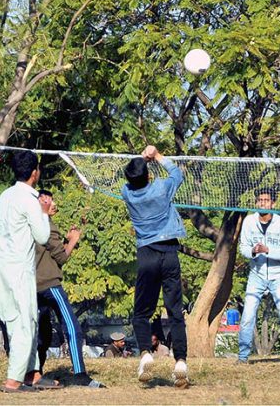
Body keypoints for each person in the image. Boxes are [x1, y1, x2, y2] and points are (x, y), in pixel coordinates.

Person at [0, 150, 60, 393]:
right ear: (34, 173)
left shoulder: (5, 195)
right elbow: (41, 236)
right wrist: (43, 212)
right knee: (24, 322)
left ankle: (33, 374)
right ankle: (13, 380)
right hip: (17, 266)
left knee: (15, 319)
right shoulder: (30, 199)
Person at [122, 145, 189, 388]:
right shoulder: (161, 188)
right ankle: (180, 362)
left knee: (141, 313)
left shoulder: (127, 193)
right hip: (169, 253)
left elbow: (134, 175)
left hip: (147, 254)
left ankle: (145, 354)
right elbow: (177, 174)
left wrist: (141, 159)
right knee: (175, 312)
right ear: (149, 175)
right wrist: (156, 155)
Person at [34, 189, 103, 388]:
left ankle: (36, 374)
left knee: (42, 333)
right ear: (42, 201)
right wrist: (73, 240)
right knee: (72, 326)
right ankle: (80, 375)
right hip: (50, 284)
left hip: (33, 286)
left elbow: (50, 253)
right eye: (49, 199)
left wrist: (64, 241)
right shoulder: (47, 225)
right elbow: (62, 257)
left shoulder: (29, 224)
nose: (53, 203)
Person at [237, 187, 280, 364]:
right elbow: (242, 247)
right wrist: (252, 251)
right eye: (259, 200)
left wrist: (267, 250)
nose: (262, 203)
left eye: (266, 200)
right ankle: (243, 356)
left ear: (273, 203)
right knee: (248, 315)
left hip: (278, 276)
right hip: (256, 274)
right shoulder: (249, 222)